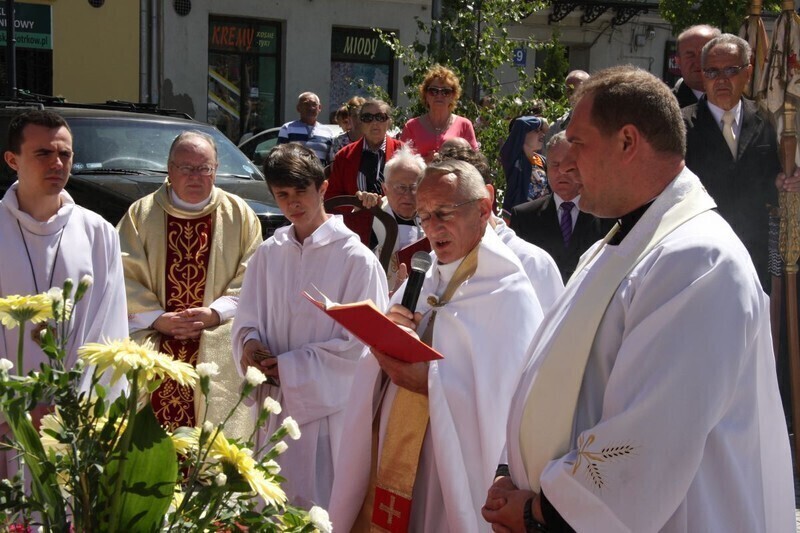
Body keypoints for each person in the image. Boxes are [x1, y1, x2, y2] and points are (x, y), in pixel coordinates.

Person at [482, 66, 794, 532]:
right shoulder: (620, 242)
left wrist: (538, 512)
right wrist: (513, 468)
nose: (563, 166)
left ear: (627, 142)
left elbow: (654, 434)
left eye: (579, 145)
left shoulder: (698, 259)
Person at [329, 160, 544, 532]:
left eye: (443, 213)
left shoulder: (509, 291)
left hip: (456, 467)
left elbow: (506, 404)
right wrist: (388, 334)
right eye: (425, 216)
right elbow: (380, 359)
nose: (432, 228)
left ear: (483, 206)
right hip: (400, 447)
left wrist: (429, 383)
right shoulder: (426, 275)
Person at [232, 143, 388, 509]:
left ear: (323, 188)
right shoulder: (269, 253)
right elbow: (247, 316)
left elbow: (363, 348)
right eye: (282, 194)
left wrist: (291, 368)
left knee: (319, 507)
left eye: (301, 191)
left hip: (327, 415)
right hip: (274, 405)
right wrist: (249, 346)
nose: (292, 203)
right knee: (268, 506)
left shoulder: (356, 260)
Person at [0, 110, 128, 474]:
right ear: (13, 160)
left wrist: (79, 410)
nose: (57, 163)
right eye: (43, 153)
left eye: (66, 154)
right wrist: (16, 410)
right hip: (6, 426)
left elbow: (109, 330)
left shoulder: (98, 232)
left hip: (75, 425)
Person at [118, 131, 262, 436]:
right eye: (185, 168)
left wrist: (214, 313)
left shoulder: (240, 215)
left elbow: (253, 276)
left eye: (204, 168)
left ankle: (215, 477)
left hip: (217, 329)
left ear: (216, 171)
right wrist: (158, 318)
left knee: (228, 366)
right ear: (169, 170)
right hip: (153, 330)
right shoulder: (140, 215)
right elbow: (122, 274)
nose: (195, 176)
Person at [683, 33, 780, 292]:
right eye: (712, 71)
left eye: (731, 70)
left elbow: (775, 182)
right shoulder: (681, 126)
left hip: (756, 258)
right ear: (702, 75)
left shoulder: (768, 121)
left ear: (748, 72)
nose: (722, 79)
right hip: (701, 256)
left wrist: (784, 182)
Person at [435, 139, 564, 312]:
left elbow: (554, 337)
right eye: (428, 213)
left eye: (449, 209)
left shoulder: (532, 264)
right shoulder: (431, 265)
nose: (436, 224)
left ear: (485, 201)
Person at [510, 132, 611, 283]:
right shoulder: (524, 217)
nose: (562, 171)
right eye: (555, 165)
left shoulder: (607, 215)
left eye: (569, 164)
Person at [326, 99, 405, 245]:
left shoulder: (404, 153)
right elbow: (331, 199)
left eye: (380, 117)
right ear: (360, 123)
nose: (374, 123)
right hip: (354, 234)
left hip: (394, 233)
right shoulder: (344, 156)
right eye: (368, 118)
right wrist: (355, 202)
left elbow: (414, 195)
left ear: (389, 122)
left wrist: (385, 202)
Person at [371, 145, 426, 288]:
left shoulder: (431, 217)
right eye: (401, 187)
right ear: (385, 189)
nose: (407, 195)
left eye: (414, 188)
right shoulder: (372, 216)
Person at [400, 64, 478, 162]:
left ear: (453, 96)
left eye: (446, 92)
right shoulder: (411, 126)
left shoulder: (465, 125)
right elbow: (401, 163)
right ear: (426, 95)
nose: (439, 95)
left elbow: (474, 161)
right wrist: (424, 161)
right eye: (433, 91)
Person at [500, 116, 549, 217]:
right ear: (520, 134)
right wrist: (541, 121)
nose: (542, 134)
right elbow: (521, 123)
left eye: (542, 131)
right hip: (517, 218)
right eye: (536, 130)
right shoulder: (512, 158)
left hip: (540, 219)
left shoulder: (543, 161)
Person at [278, 92, 334, 165]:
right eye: (306, 104)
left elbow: (331, 161)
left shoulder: (328, 132)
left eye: (314, 104)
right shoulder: (287, 128)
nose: (310, 108)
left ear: (319, 108)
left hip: (319, 176)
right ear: (298, 108)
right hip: (295, 175)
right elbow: (279, 157)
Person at [673, 25, 721, 108]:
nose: (698, 61)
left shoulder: (741, 105)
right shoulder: (663, 108)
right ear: (678, 61)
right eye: (690, 55)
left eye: (704, 54)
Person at [543, 70, 590, 152]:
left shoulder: (604, 125)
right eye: (570, 91)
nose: (575, 95)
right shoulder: (555, 129)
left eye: (579, 90)